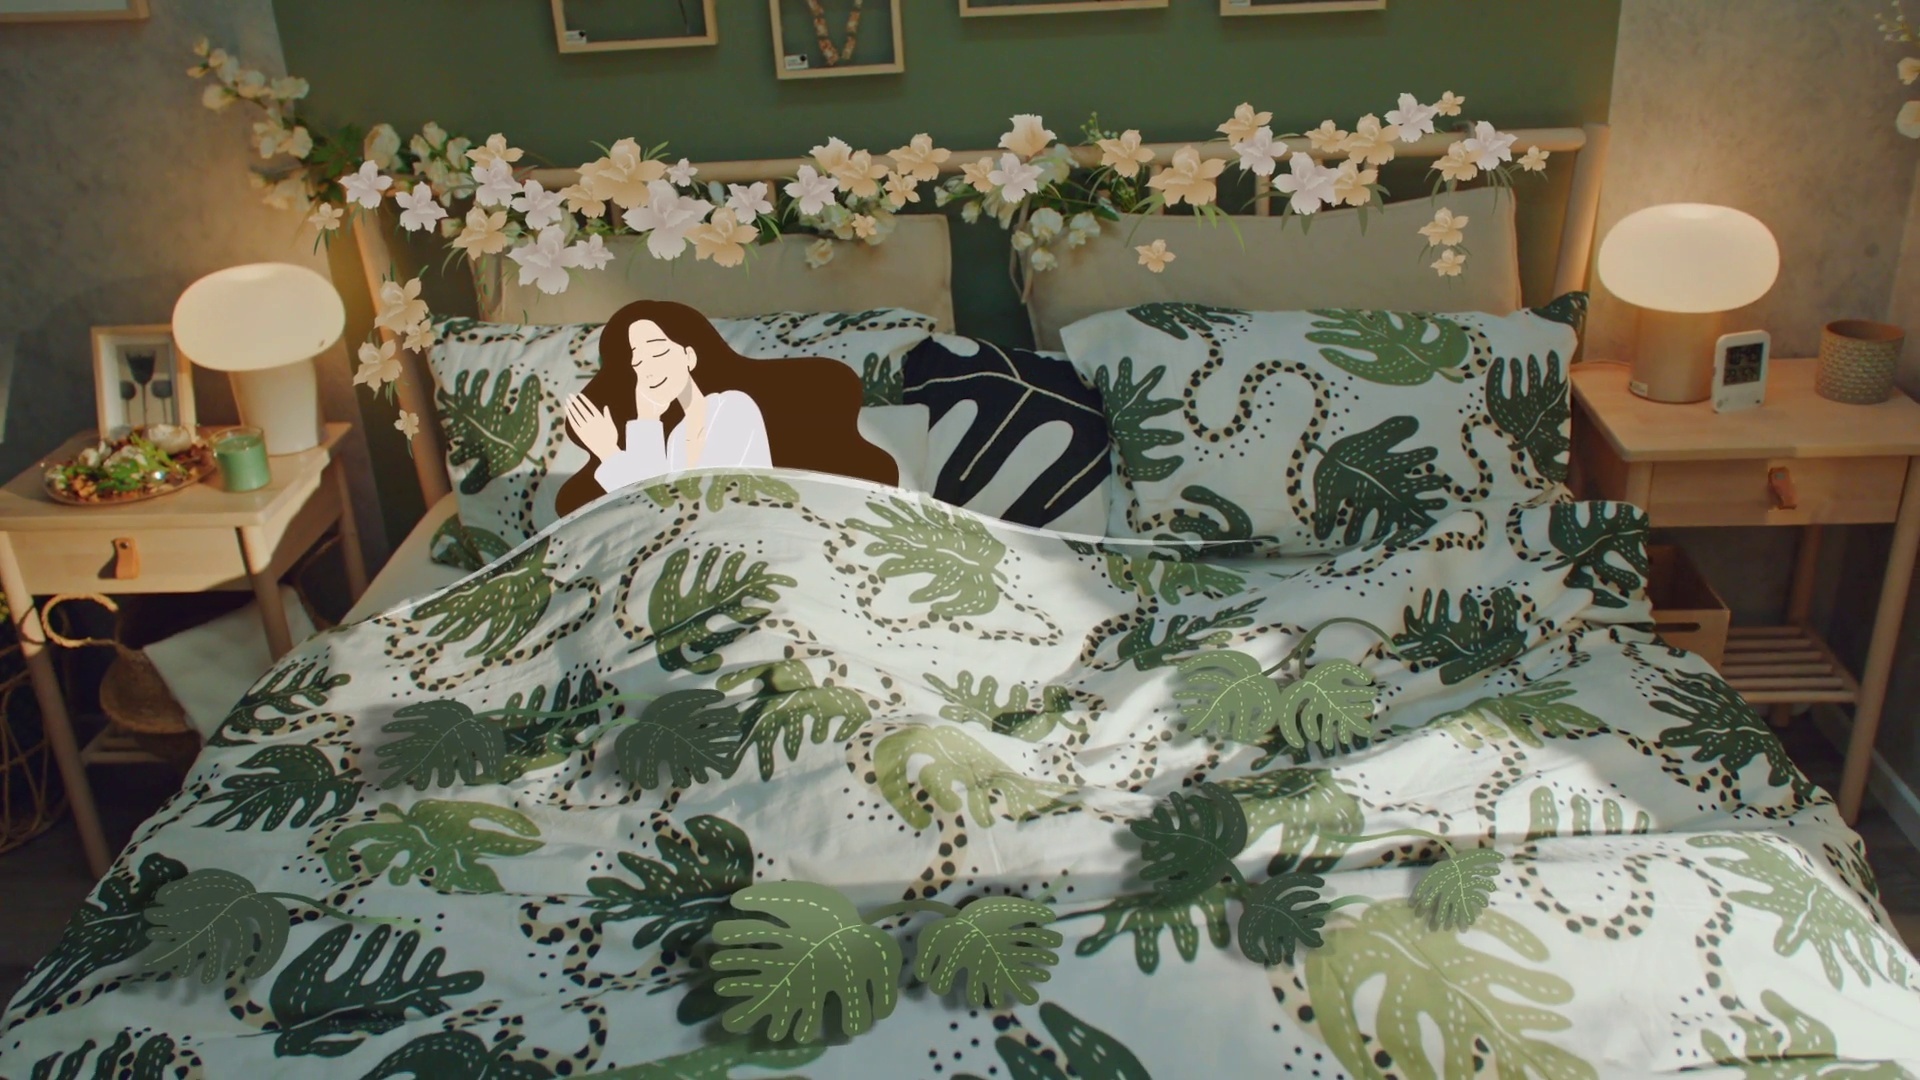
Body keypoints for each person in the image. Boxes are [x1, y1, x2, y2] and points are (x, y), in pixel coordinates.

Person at [554, 299, 896, 518]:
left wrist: (611, 453)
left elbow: (676, 505)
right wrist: (646, 419)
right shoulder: (674, 437)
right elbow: (647, 513)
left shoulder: (731, 408)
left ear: (689, 355)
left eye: (658, 352)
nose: (650, 369)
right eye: (638, 363)